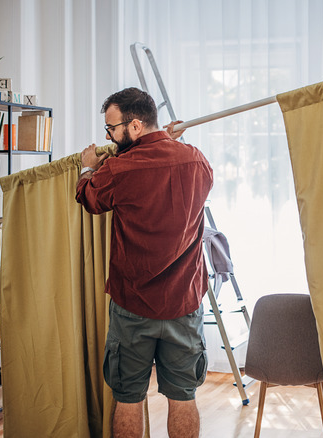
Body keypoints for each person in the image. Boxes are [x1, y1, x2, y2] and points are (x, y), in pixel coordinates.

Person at [75, 87, 213, 438]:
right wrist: (165, 140)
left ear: (135, 126)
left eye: (112, 128)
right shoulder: (196, 160)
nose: (109, 136)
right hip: (184, 303)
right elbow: (163, 167)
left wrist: (87, 167)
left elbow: (90, 198)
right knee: (184, 397)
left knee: (128, 398)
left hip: (133, 307)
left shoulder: (119, 169)